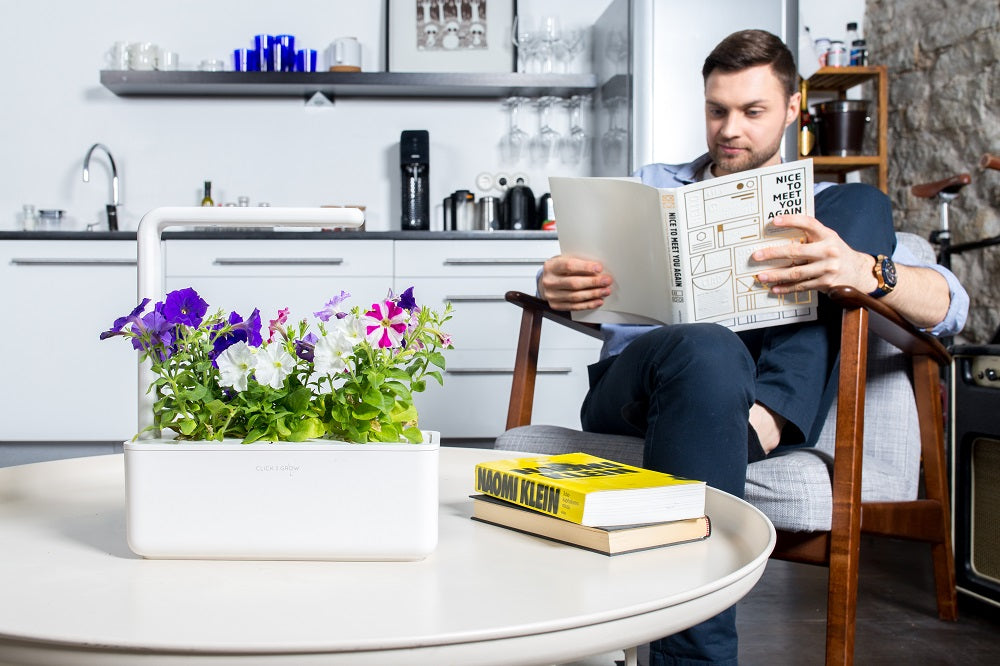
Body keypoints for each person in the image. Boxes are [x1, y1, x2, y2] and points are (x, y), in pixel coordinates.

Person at [537, 30, 968, 666]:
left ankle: (755, 423)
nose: (729, 128)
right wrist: (556, 285)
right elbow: (569, 277)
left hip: (736, 395)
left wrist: (865, 272)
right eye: (717, 110)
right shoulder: (653, 184)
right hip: (637, 388)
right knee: (703, 347)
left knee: (859, 204)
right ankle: (755, 428)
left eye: (752, 111)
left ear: (794, 108)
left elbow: (951, 308)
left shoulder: (837, 214)